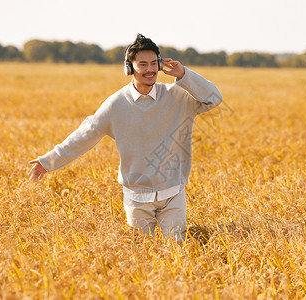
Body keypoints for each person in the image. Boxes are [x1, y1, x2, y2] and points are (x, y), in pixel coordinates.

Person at [28, 34, 222, 242]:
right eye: (142, 64)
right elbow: (84, 135)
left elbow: (214, 98)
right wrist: (48, 161)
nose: (149, 69)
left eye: (153, 63)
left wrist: (184, 74)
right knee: (140, 254)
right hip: (136, 199)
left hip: (173, 194)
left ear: (159, 65)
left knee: (177, 251)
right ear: (129, 68)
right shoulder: (116, 104)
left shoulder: (178, 96)